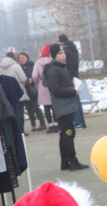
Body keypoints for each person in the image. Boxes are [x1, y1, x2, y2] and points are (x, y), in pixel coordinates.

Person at [43, 43, 87, 171]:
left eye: (64, 53)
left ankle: (65, 161)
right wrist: (73, 91)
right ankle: (72, 161)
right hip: (62, 106)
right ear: (54, 55)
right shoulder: (53, 70)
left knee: (65, 134)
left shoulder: (61, 67)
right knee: (68, 133)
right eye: (60, 54)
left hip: (67, 106)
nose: (63, 56)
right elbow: (55, 89)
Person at [0, 48, 29, 134]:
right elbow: (23, 78)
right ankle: (21, 130)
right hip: (18, 90)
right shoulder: (16, 65)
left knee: (12, 111)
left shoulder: (2, 67)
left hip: (7, 92)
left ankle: (14, 130)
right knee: (20, 112)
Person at [18, 51, 46, 133]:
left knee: (36, 107)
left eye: (23, 57)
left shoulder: (31, 65)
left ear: (27, 57)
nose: (22, 59)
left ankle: (42, 123)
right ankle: (33, 124)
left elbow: (36, 75)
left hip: (32, 89)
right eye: (20, 58)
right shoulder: (19, 67)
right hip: (24, 90)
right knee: (29, 109)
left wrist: (31, 79)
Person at [33, 45, 57, 133]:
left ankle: (50, 126)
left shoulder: (37, 63)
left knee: (46, 108)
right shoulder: (52, 62)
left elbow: (34, 75)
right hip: (52, 86)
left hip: (42, 86)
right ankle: (56, 124)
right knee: (54, 106)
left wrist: (37, 82)